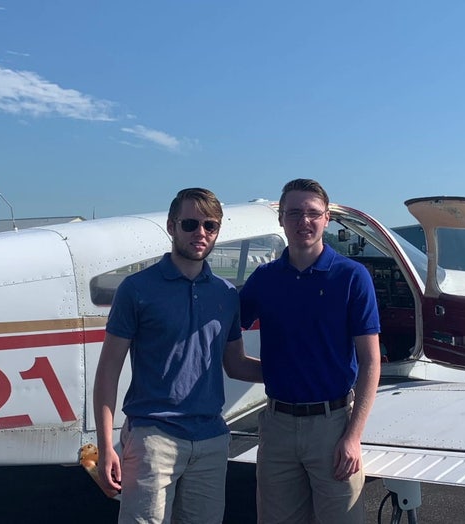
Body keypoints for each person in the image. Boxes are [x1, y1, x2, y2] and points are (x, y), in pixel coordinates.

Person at [93, 187, 261, 524]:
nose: (200, 233)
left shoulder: (226, 294)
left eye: (209, 226)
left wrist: (302, 372)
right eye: (190, 224)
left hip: (211, 437)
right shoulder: (137, 289)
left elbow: (236, 363)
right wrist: (104, 445)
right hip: (154, 436)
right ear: (171, 227)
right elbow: (108, 370)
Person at [239, 178, 381, 523]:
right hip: (277, 427)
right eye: (295, 213)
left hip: (332, 427)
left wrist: (353, 437)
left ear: (327, 218)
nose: (304, 221)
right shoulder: (265, 279)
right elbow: (223, 330)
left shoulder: (352, 277)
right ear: (282, 220)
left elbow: (370, 361)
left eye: (313, 213)